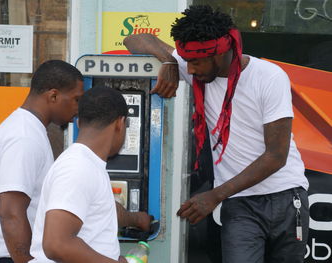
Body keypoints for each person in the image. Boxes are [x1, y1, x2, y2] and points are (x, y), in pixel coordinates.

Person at [124, 5, 309, 263]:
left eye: (196, 63)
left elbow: (276, 156)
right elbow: (135, 39)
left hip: (286, 197)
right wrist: (167, 60)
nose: (189, 70)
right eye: (186, 62)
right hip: (240, 203)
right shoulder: (199, 70)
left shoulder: (269, 77)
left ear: (220, 53)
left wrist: (215, 195)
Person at [0, 60, 84, 263]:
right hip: (6, 256)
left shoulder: (29, 129)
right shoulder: (24, 136)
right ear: (53, 96)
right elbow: (10, 211)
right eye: (76, 100)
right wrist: (27, 260)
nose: (78, 109)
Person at [29, 86, 133, 263]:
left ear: (78, 122)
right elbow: (57, 243)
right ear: (120, 123)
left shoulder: (86, 164)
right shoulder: (78, 166)